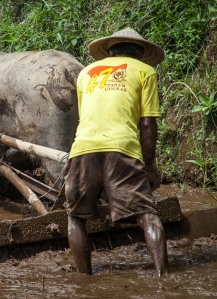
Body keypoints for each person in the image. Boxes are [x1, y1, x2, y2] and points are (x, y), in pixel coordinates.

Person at [64, 27, 168, 277]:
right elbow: (147, 124)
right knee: (148, 216)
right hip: (122, 148)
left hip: (83, 148)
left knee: (76, 218)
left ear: (110, 51)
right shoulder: (145, 71)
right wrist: (149, 167)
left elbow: (86, 118)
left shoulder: (86, 73)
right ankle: (163, 279)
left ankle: (85, 281)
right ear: (140, 53)